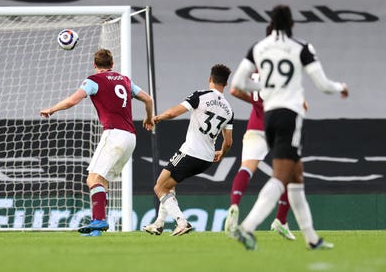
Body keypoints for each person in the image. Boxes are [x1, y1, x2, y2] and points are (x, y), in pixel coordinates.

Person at [230, 4, 348, 251]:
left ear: (270, 23)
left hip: (269, 118)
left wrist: (265, 90)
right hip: (289, 116)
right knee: (281, 177)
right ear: (292, 23)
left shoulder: (258, 48)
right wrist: (340, 87)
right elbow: (323, 85)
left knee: (296, 176)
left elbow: (238, 83)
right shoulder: (301, 47)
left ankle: (312, 239)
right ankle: (247, 227)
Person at [40, 48, 154, 237]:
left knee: (92, 179)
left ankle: (99, 221)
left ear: (95, 65)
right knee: (103, 181)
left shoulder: (93, 81)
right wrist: (149, 119)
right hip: (130, 138)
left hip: (114, 134)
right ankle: (96, 231)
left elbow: (72, 101)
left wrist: (52, 109)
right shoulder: (125, 80)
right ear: (112, 65)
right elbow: (148, 99)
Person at [143, 64, 233, 236]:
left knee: (159, 187)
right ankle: (159, 223)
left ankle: (182, 222)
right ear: (226, 84)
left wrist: (157, 117)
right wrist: (221, 153)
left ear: (210, 79)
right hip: (206, 159)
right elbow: (228, 142)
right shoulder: (229, 110)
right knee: (169, 185)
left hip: (191, 151)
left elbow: (173, 113)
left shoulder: (200, 96)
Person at [224, 78, 296, 241]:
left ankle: (234, 204)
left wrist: (256, 102)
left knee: (246, 169)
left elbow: (234, 90)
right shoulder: (279, 69)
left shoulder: (252, 72)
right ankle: (281, 221)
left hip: (255, 127)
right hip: (278, 128)